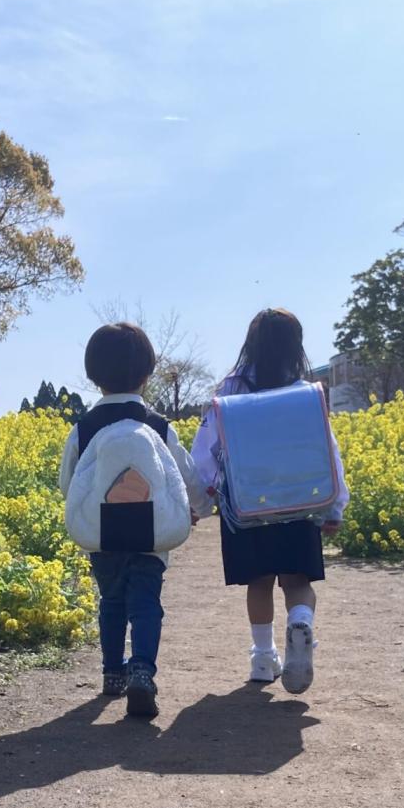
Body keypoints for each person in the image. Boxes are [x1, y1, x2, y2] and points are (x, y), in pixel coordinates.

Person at [59, 322, 212, 719]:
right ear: (147, 375)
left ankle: (112, 673)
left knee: (110, 601)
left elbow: (69, 483)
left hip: (103, 537)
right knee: (146, 603)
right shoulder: (159, 426)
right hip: (151, 535)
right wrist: (200, 508)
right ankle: (141, 669)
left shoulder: (84, 428)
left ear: (93, 374)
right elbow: (185, 476)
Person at [192, 308, 347, 694]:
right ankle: (301, 622)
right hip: (300, 503)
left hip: (247, 507)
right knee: (298, 581)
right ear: (296, 348)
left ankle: (263, 658)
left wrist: (202, 500)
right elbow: (328, 451)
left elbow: (205, 452)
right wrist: (335, 504)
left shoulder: (227, 393)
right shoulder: (304, 393)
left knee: (258, 584)